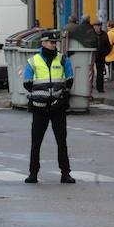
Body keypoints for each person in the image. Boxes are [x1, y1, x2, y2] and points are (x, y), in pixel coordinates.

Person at [23, 31, 74, 184]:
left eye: (55, 43)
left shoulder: (63, 59)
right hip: (39, 107)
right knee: (36, 142)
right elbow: (27, 82)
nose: (54, 45)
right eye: (51, 42)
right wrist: (41, 94)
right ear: (43, 43)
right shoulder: (33, 61)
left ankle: (65, 173)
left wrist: (63, 94)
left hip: (57, 106)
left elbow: (70, 78)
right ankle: (33, 173)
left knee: (61, 141)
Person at [92, 21, 110, 94]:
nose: (98, 28)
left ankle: (100, 88)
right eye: (96, 26)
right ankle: (90, 86)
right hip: (92, 55)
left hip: (101, 55)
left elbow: (108, 46)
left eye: (99, 26)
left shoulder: (104, 34)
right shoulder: (91, 34)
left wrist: (105, 53)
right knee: (90, 72)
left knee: (100, 72)